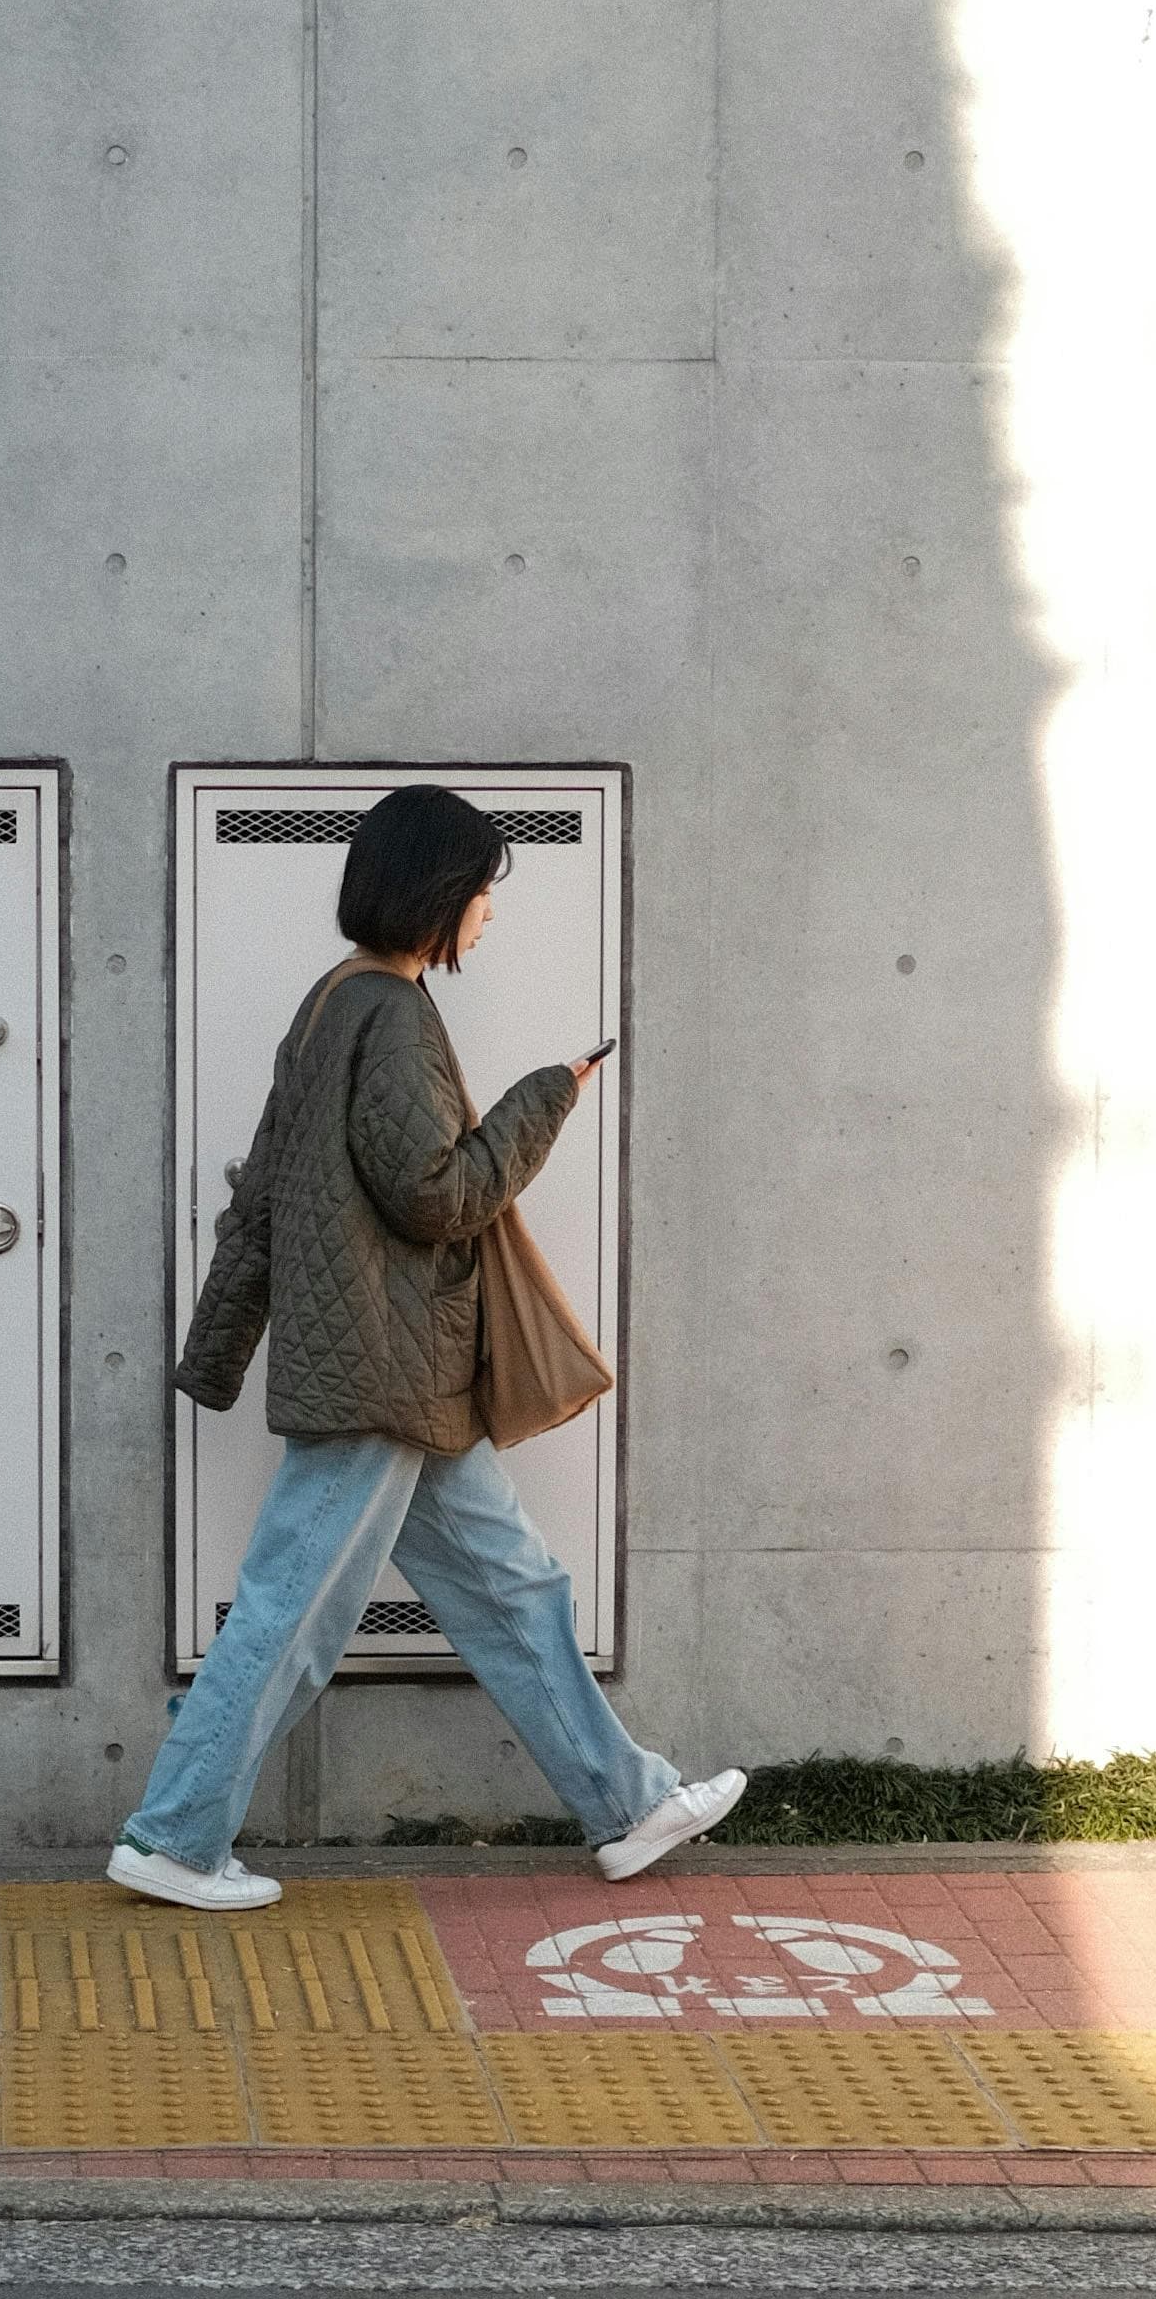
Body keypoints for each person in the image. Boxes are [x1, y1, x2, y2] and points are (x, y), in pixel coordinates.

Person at [111, 782, 743, 1914]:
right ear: (438, 894)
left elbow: (259, 1197)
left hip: (397, 1367)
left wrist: (218, 1352)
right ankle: (172, 1835)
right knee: (287, 1613)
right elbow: (435, 1197)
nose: (490, 912)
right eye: (483, 889)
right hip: (382, 1369)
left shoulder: (327, 1005)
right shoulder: (389, 1015)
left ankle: (626, 1803)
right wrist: (545, 1100)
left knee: (515, 1588)